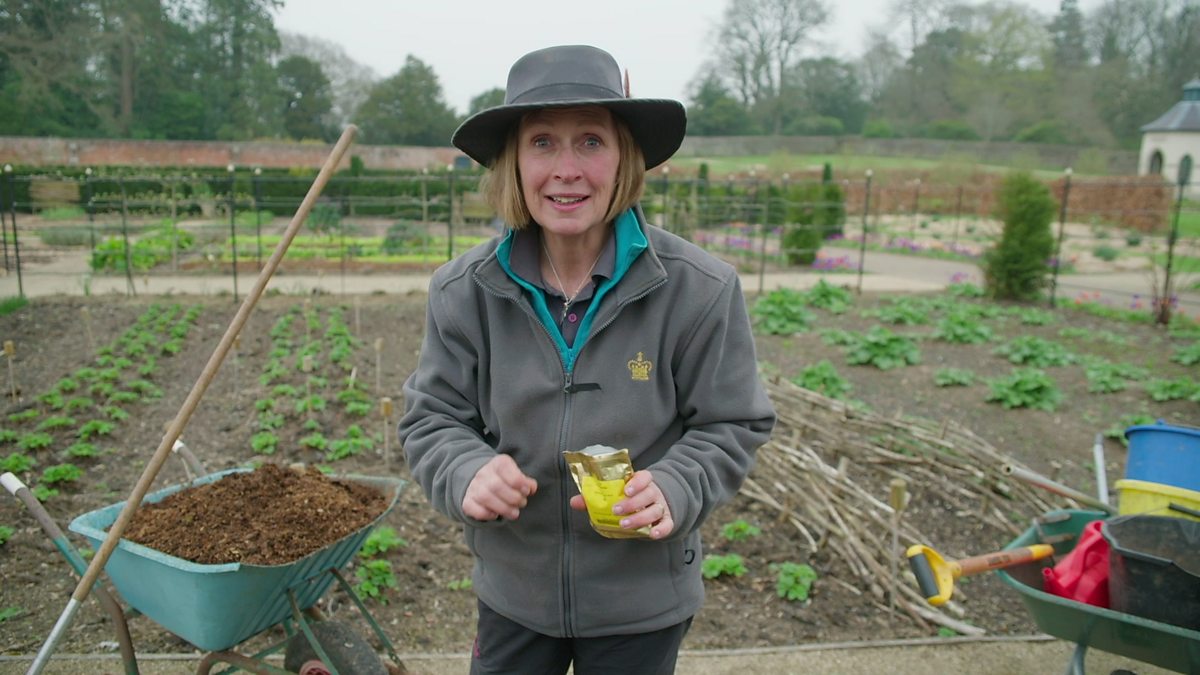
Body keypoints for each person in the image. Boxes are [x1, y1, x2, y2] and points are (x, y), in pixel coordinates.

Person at [398, 44, 776, 675]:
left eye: (591, 142)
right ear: (513, 163)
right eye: (542, 143)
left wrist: (677, 485)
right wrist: (466, 469)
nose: (566, 169)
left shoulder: (699, 289)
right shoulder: (463, 290)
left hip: (642, 602)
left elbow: (732, 422)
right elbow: (431, 417)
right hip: (515, 595)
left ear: (624, 156)